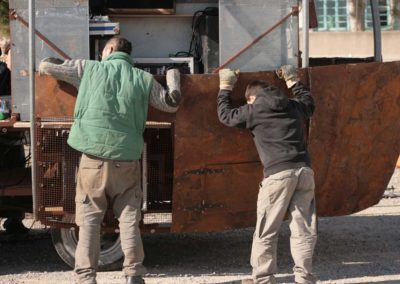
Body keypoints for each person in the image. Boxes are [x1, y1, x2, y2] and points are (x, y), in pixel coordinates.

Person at [39, 36, 182, 284]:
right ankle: (134, 274)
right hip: (126, 158)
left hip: (92, 159)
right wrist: (173, 74)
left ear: (110, 49)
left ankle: (86, 278)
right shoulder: (143, 78)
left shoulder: (88, 68)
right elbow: (171, 103)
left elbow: (46, 66)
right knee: (129, 219)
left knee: (89, 219)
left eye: (103, 51)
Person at [217, 66, 317, 284]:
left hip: (278, 175)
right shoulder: (292, 105)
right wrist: (293, 80)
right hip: (304, 171)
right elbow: (309, 104)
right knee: (303, 231)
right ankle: (305, 279)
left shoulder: (254, 110)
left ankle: (263, 279)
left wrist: (225, 87)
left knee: (266, 231)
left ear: (251, 97)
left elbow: (225, 116)